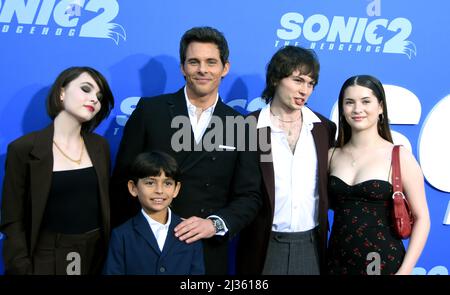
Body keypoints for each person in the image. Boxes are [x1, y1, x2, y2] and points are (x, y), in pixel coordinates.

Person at [111, 26, 262, 275]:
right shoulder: (151, 111)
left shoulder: (241, 125)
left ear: (225, 68)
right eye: (194, 62)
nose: (202, 69)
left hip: (206, 250)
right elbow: (122, 181)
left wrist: (214, 225)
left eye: (211, 62)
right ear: (183, 67)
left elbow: (249, 196)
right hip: (148, 248)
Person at [0, 66, 114, 274]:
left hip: (96, 254)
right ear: (61, 93)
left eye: (99, 96)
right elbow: (12, 219)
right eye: (86, 89)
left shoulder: (100, 146)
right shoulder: (24, 148)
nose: (94, 99)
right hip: (48, 255)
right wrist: (21, 267)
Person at [236, 46, 336, 275]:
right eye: (298, 80)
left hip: (312, 245)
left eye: (311, 83)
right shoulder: (248, 127)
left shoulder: (323, 129)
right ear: (275, 79)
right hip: (262, 245)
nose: (305, 90)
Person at [327, 75, 430, 275]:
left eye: (366, 101)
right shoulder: (331, 155)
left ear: (380, 107)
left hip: (383, 263)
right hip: (335, 262)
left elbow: (422, 218)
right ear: (342, 108)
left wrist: (406, 270)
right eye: (349, 102)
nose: (357, 109)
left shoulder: (399, 157)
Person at [103, 151, 204, 275]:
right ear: (133, 188)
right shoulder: (121, 235)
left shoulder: (190, 232)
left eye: (167, 183)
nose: (159, 190)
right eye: (150, 183)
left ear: (176, 189)